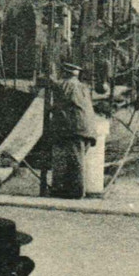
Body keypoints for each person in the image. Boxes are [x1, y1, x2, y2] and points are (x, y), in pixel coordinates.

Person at [47, 61, 97, 199]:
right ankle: (69, 190)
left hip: (76, 128)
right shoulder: (83, 87)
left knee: (75, 161)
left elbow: (57, 87)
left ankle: (77, 193)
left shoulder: (68, 84)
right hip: (86, 128)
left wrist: (49, 76)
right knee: (75, 160)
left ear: (65, 73)